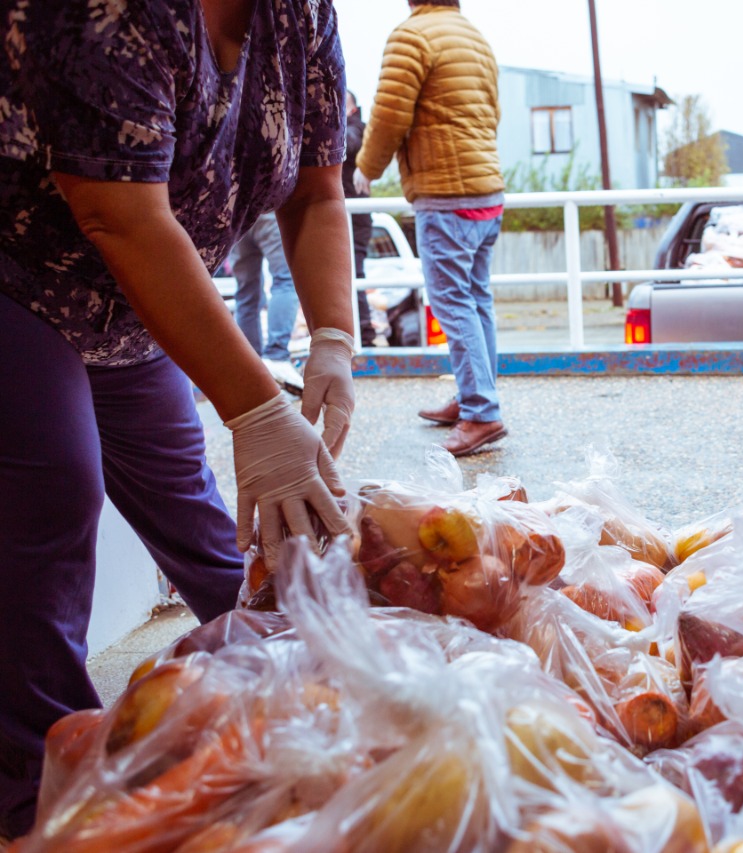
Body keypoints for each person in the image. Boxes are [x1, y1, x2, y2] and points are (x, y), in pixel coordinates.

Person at [0, 0, 356, 837]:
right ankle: (35, 788)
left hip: (131, 304)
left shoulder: (301, 16)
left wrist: (334, 339)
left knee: (216, 520)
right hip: (20, 271)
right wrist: (258, 409)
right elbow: (118, 213)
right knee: (54, 493)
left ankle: (313, 707)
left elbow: (317, 189)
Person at [354, 0, 507, 457]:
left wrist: (366, 168)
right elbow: (492, 113)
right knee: (476, 299)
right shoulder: (473, 35)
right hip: (486, 190)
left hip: (446, 194)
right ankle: (474, 395)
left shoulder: (412, 35)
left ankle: (481, 412)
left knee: (452, 301)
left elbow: (388, 116)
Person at [229, 213, 307, 393]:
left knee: (246, 292)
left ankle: (250, 366)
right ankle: (276, 355)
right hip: (268, 208)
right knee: (285, 279)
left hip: (236, 214)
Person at [343, 90, 379, 349]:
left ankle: (364, 333)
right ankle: (356, 332)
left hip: (355, 215)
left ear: (352, 108)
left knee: (354, 270)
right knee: (345, 273)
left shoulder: (358, 128)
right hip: (344, 212)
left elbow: (349, 143)